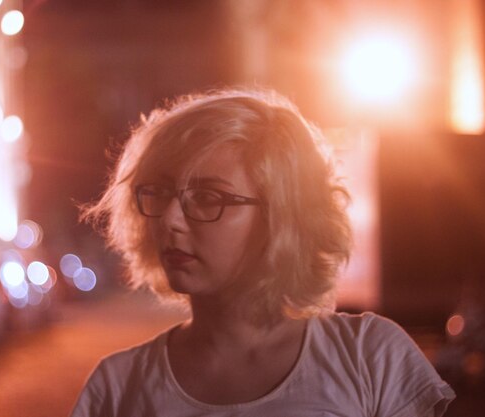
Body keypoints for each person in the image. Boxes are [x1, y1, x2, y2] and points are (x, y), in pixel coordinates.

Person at [71, 88, 455, 416]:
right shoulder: (118, 388)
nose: (170, 220)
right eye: (159, 191)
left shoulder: (369, 357)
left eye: (207, 198)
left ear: (281, 215)